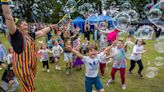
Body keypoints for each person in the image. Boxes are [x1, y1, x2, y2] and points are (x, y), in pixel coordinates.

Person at [1, 1, 55, 91]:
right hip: (23, 68)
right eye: (24, 24)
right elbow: (9, 18)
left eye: (27, 24)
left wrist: (51, 27)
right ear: (18, 27)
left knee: (27, 86)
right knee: (30, 89)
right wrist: (4, 2)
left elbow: (42, 32)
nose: (27, 26)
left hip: (31, 66)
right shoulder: (16, 36)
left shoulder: (29, 35)